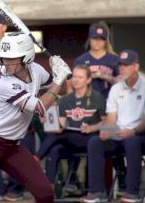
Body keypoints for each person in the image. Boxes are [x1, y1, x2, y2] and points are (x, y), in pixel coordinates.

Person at [0, 32, 72, 203]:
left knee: (44, 192)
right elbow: (39, 108)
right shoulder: (5, 83)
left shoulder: (37, 70)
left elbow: (63, 90)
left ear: (27, 57)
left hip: (12, 145)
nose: (6, 62)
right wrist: (58, 79)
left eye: (12, 58)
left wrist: (59, 74)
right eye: (4, 58)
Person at [81, 50, 145, 203]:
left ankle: (132, 193)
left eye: (126, 65)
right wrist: (107, 131)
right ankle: (96, 192)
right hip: (118, 134)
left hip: (140, 134)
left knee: (132, 141)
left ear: (136, 66)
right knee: (95, 142)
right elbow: (111, 119)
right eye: (121, 65)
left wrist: (133, 131)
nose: (122, 69)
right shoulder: (116, 89)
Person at [34, 65, 106, 193]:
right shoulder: (66, 100)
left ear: (88, 80)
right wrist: (52, 123)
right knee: (55, 149)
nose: (75, 80)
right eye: (74, 77)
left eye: (80, 77)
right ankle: (48, 188)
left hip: (90, 140)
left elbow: (107, 122)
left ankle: (36, 158)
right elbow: (62, 125)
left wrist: (92, 127)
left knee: (57, 137)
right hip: (71, 140)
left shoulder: (97, 97)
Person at [73, 21, 119, 99]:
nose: (98, 42)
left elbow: (123, 84)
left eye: (101, 39)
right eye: (95, 38)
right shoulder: (80, 60)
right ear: (90, 39)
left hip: (109, 101)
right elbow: (72, 84)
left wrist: (105, 76)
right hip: (86, 101)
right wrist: (86, 72)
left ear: (106, 41)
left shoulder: (114, 59)